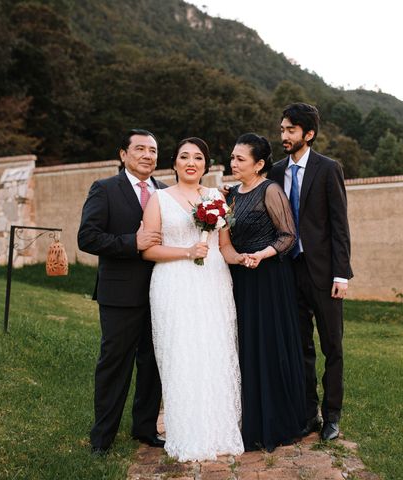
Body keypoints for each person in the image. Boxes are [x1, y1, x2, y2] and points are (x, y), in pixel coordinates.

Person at [141, 137, 244, 462]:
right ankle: (186, 431)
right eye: (184, 156)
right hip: (174, 282)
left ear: (205, 164)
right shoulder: (159, 199)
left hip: (213, 280)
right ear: (173, 163)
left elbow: (224, 246)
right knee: (181, 352)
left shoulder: (216, 197)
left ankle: (217, 429)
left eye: (198, 157)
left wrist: (246, 258)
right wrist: (187, 252)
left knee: (214, 349)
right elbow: (148, 250)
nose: (191, 162)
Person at [77, 129, 166, 455]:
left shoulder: (165, 191)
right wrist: (133, 243)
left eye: (153, 150)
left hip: (160, 294)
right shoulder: (104, 189)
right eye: (140, 149)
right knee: (114, 366)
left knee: (153, 365)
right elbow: (87, 237)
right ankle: (102, 438)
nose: (147, 155)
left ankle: (145, 429)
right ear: (123, 155)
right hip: (119, 296)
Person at [268, 103, 353, 441]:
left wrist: (341, 274)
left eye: (290, 130)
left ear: (309, 133)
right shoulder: (275, 172)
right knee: (300, 347)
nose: (284, 136)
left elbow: (339, 225)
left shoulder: (329, 169)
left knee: (332, 346)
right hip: (289, 273)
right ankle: (309, 414)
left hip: (324, 274)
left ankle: (332, 417)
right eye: (282, 130)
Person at [224, 132, 306, 452]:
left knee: (269, 345)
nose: (233, 162)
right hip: (241, 278)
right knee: (247, 345)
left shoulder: (270, 190)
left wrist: (263, 254)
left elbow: (288, 235)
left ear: (259, 165)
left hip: (269, 277)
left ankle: (278, 420)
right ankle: (252, 418)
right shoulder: (230, 194)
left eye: (239, 159)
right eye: (232, 157)